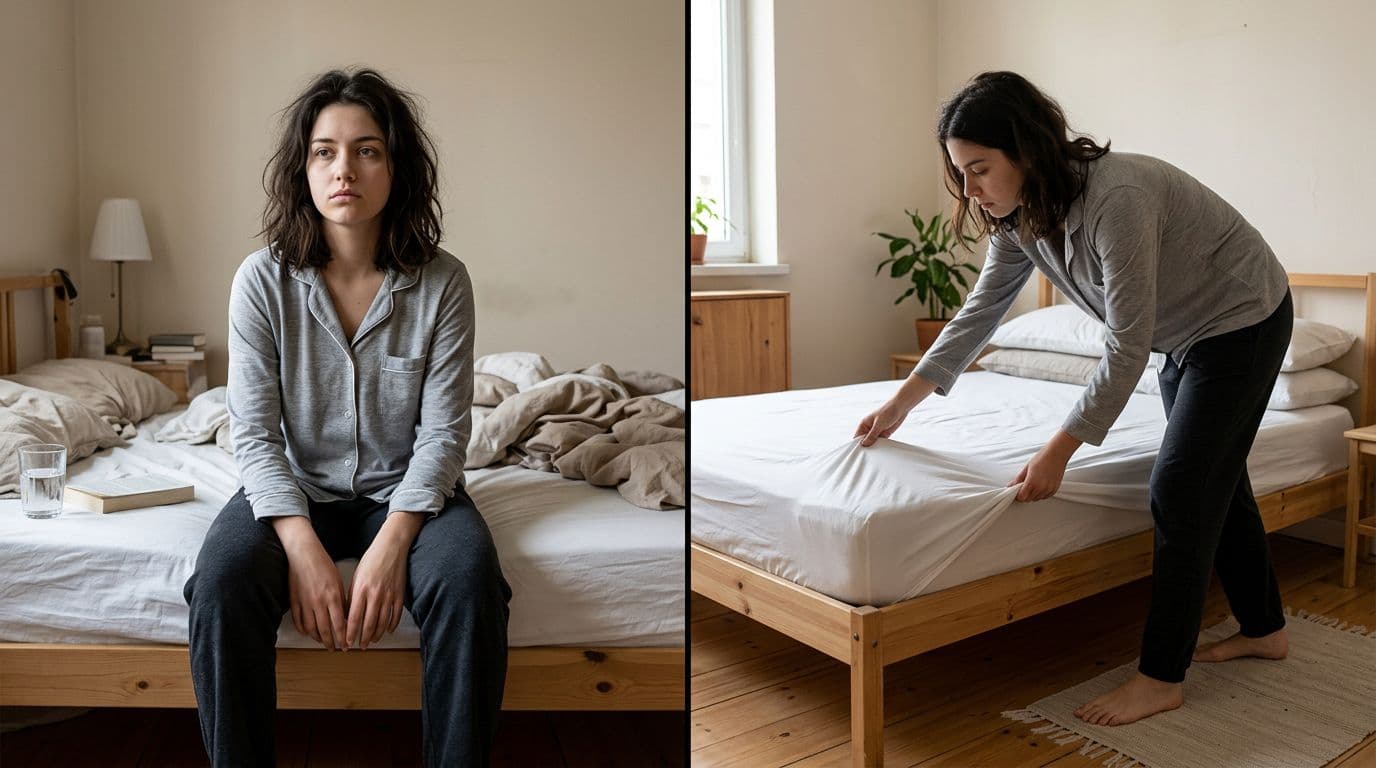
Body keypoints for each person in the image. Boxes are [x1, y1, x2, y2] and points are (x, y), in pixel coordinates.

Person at [855, 71, 1293, 727]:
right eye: (961, 171)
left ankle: (1160, 678)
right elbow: (979, 314)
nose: (970, 189)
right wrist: (903, 403)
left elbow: (1125, 341)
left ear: (1027, 152)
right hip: (1185, 336)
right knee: (1214, 484)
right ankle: (1265, 630)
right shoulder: (1019, 216)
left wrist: (1059, 449)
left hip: (1242, 322)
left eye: (980, 169)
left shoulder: (1119, 198)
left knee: (1178, 487)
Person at [183, 68, 511, 766]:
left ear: (397, 166)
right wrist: (299, 543)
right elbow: (253, 433)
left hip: (408, 494)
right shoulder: (261, 281)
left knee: (470, 580)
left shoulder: (444, 282)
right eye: (324, 151)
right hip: (293, 488)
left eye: (367, 150)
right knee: (219, 583)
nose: (345, 169)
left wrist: (393, 543)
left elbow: (446, 435)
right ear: (302, 168)